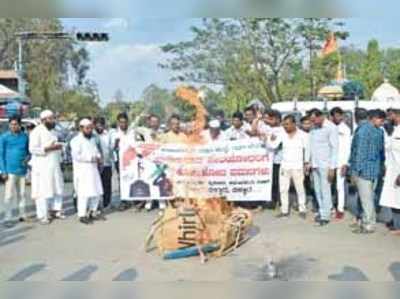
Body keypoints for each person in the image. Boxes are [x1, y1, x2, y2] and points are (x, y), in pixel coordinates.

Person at [349, 109, 386, 234]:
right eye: (381, 120)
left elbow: (359, 153)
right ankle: (366, 221)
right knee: (369, 198)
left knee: (366, 199)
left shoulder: (363, 131)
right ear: (373, 118)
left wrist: (355, 171)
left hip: (364, 170)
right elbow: (380, 152)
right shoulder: (378, 131)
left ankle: (368, 225)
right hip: (374, 169)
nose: (382, 123)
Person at [268, 115, 310, 219]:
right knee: (283, 189)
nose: (285, 126)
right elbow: (273, 146)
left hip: (298, 166)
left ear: (294, 124)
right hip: (285, 166)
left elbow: (308, 150)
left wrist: (306, 163)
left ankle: (302, 209)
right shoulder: (282, 134)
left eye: (287, 124)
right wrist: (270, 139)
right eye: (284, 124)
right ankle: (284, 211)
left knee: (299, 189)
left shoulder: (303, 135)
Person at [29, 110, 65, 225]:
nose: (53, 120)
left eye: (53, 118)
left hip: (54, 164)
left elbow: (55, 145)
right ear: (44, 120)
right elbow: (32, 149)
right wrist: (48, 148)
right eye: (50, 118)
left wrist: (59, 147)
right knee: (43, 191)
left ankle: (56, 210)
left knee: (57, 188)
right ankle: (43, 215)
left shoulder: (53, 131)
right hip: (42, 166)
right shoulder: (36, 131)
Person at [70, 119, 105, 225]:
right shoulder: (76, 140)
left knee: (96, 192)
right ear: (81, 128)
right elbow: (76, 156)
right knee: (83, 194)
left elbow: (96, 151)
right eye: (87, 128)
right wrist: (91, 158)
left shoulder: (92, 139)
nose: (90, 130)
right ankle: (82, 215)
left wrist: (99, 157)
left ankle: (93, 212)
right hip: (82, 171)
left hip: (93, 170)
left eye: (91, 128)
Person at [309, 109, 338, 226]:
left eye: (314, 119)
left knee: (325, 190)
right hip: (315, 163)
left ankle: (326, 215)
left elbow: (335, 148)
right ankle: (322, 211)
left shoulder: (331, 128)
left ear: (321, 116)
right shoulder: (314, 128)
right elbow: (311, 145)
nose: (313, 122)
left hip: (326, 164)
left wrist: (332, 167)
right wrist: (308, 162)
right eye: (311, 120)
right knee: (317, 189)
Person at [0, 116, 30, 228]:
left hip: (22, 170)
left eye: (16, 124)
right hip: (9, 170)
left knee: (22, 194)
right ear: (9, 125)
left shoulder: (25, 137)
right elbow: (0, 155)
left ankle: (22, 215)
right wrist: (3, 171)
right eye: (11, 124)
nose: (13, 126)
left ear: (19, 125)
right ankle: (8, 217)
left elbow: (28, 152)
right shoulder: (4, 137)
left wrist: (27, 158)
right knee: (8, 195)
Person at [380, 109, 400, 234]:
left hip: (398, 171)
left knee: (398, 199)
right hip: (392, 170)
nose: (389, 118)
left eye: (392, 116)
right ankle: (395, 223)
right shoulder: (394, 130)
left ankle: (398, 226)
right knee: (393, 199)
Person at [330, 107, 352, 220]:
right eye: (335, 115)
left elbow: (348, 148)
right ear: (331, 116)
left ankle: (340, 209)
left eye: (339, 115)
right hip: (329, 162)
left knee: (340, 187)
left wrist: (346, 164)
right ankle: (329, 207)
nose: (337, 118)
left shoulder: (346, 130)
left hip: (341, 162)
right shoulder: (328, 128)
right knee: (328, 186)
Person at [263, 109, 284, 209]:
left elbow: (273, 145)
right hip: (269, 160)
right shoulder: (269, 129)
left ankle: (280, 201)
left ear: (277, 119)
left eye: (271, 118)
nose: (268, 120)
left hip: (278, 160)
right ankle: (272, 201)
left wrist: (267, 139)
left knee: (278, 182)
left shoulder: (281, 130)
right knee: (272, 181)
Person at [111, 112, 131, 211]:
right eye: (121, 122)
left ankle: (133, 200)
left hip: (132, 160)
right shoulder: (115, 134)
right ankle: (124, 201)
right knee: (122, 180)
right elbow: (112, 148)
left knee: (132, 178)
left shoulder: (132, 132)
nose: (123, 124)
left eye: (125, 122)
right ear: (118, 123)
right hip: (119, 161)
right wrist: (116, 144)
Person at [94, 117, 113, 211]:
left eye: (101, 125)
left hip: (106, 163)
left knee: (107, 184)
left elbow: (111, 147)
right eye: (97, 125)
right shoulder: (92, 135)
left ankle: (107, 203)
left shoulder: (108, 135)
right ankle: (96, 205)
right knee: (96, 185)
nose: (99, 127)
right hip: (95, 165)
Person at [300, 115, 317, 213]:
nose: (307, 125)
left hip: (313, 161)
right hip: (301, 161)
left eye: (308, 123)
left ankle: (315, 203)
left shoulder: (314, 133)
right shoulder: (299, 134)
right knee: (303, 183)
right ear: (301, 124)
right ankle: (303, 202)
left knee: (314, 183)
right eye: (304, 123)